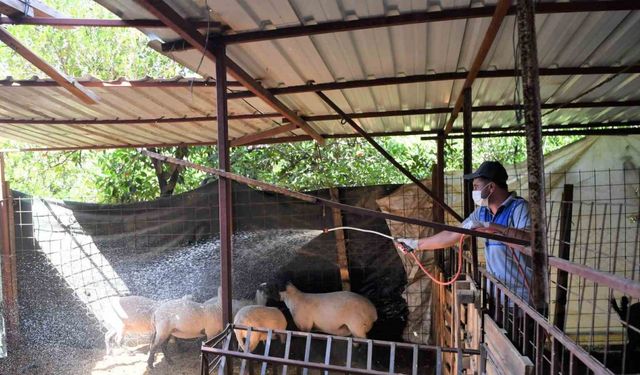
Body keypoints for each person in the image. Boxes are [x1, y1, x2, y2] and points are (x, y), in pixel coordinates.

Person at [394, 161, 532, 302]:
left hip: (522, 298)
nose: (474, 192)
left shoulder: (519, 208)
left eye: (476, 187)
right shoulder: (482, 213)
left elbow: (528, 240)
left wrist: (492, 226)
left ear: (491, 187)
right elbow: (453, 234)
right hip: (497, 295)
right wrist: (415, 244)